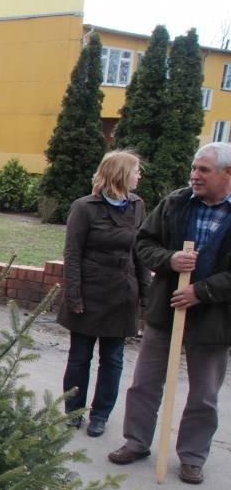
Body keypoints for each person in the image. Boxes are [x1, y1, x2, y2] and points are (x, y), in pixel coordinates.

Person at [108, 142, 231, 484]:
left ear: (227, 173)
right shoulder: (176, 203)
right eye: (194, 168)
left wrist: (202, 291)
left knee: (204, 393)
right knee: (145, 382)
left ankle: (192, 456)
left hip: (214, 320)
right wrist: (170, 260)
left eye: (203, 170)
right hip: (168, 309)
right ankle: (136, 442)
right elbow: (144, 243)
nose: (194, 175)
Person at [58, 150, 150, 438]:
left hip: (122, 294)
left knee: (113, 359)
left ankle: (100, 415)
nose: (139, 176)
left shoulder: (137, 205)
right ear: (120, 173)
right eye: (135, 171)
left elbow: (142, 253)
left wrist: (145, 293)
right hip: (89, 292)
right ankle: (74, 411)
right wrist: (74, 296)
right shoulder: (85, 207)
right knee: (79, 357)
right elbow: (72, 254)